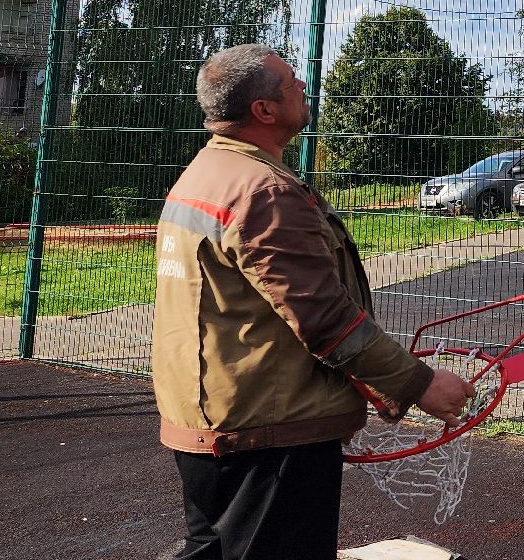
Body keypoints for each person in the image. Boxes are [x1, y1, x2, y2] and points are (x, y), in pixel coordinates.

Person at [152, 44, 472, 560]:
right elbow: (326, 320)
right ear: (264, 110)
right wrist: (421, 383)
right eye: (291, 81)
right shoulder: (262, 191)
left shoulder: (205, 174)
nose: (304, 86)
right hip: (267, 431)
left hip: (207, 417)